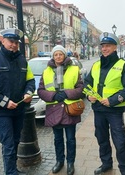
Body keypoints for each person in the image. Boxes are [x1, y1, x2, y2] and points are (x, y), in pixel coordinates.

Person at [0, 28, 35, 175]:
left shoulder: (22, 60)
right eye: (11, 41)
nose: (14, 45)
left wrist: (28, 93)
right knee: (8, 144)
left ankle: (12, 169)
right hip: (2, 110)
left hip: (19, 109)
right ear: (3, 41)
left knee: (15, 142)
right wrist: (4, 101)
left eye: (16, 42)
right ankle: (10, 173)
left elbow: (30, 80)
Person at [84, 32, 125, 175]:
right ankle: (106, 163)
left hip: (114, 111)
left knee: (120, 141)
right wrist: (89, 96)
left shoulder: (123, 65)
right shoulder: (96, 65)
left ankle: (124, 168)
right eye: (103, 46)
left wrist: (112, 100)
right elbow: (87, 83)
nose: (104, 49)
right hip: (98, 110)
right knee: (101, 138)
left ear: (115, 47)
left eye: (108, 46)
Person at [37, 45, 84, 175]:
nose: (58, 57)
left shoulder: (74, 69)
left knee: (70, 139)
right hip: (54, 109)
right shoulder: (46, 71)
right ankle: (59, 161)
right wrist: (53, 96)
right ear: (53, 56)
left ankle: (70, 163)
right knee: (58, 139)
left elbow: (81, 88)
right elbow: (40, 91)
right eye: (55, 54)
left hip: (70, 110)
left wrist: (67, 94)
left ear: (64, 55)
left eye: (60, 54)